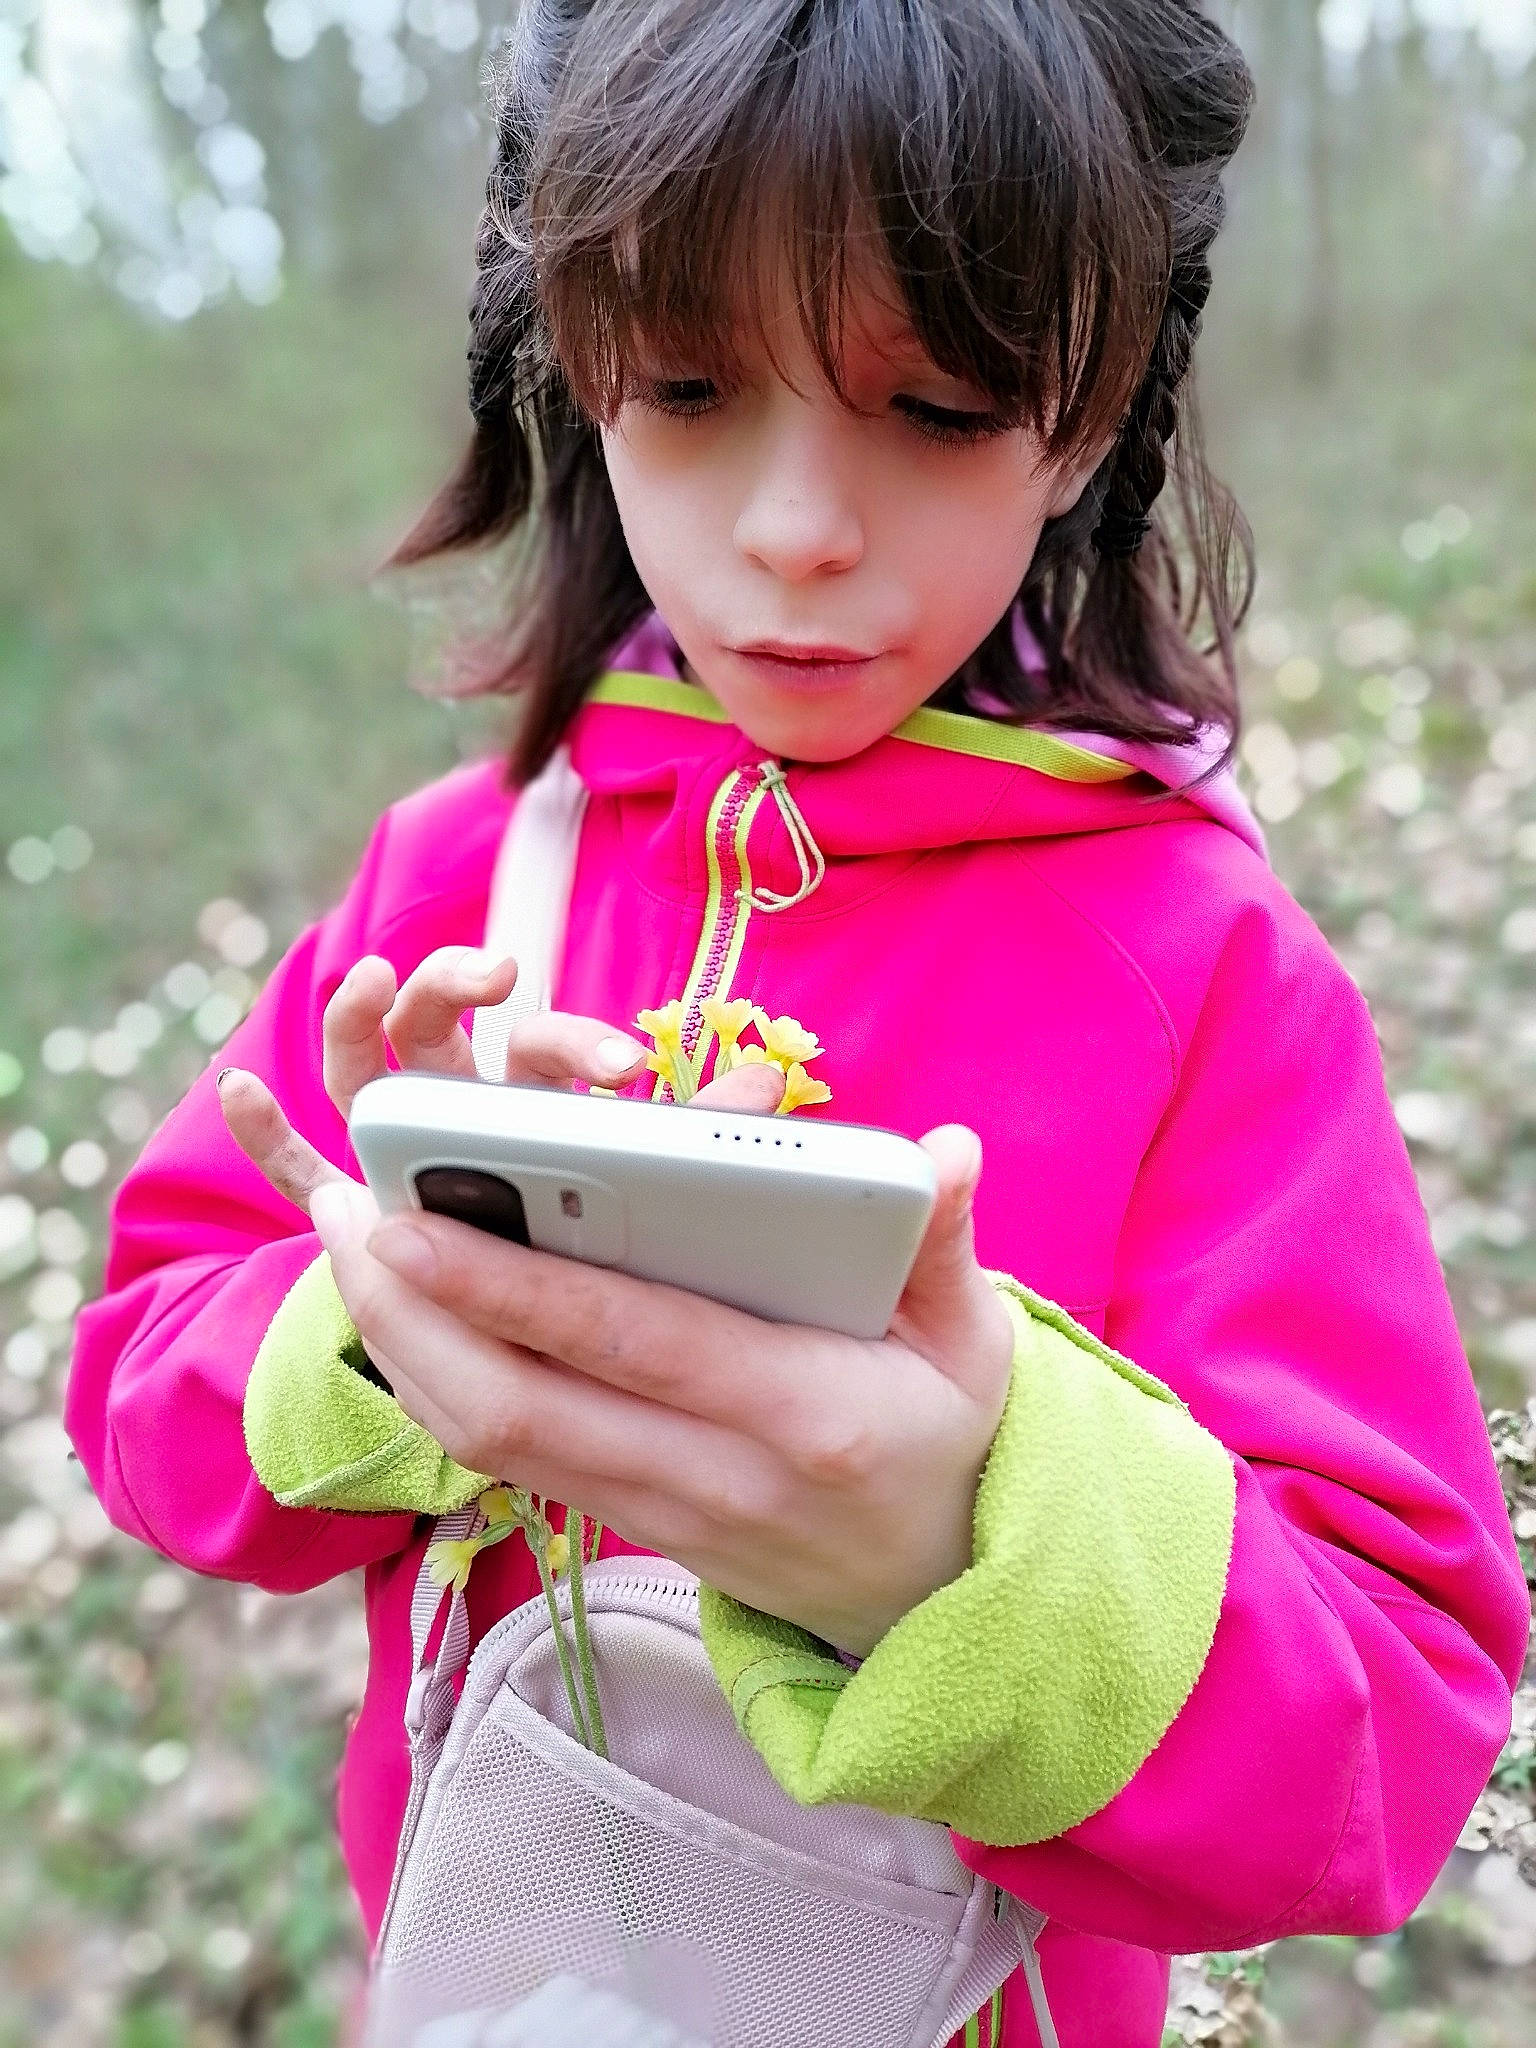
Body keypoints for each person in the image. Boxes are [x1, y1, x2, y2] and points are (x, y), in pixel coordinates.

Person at [66, 3, 1529, 2043]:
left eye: (932, 407)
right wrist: (369, 1325)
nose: (796, 531)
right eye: (688, 384)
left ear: (1091, 417)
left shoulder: (1199, 965)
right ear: (578, 368)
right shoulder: (464, 892)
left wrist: (957, 1537)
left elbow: (1397, 1724)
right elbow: (137, 1388)